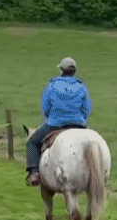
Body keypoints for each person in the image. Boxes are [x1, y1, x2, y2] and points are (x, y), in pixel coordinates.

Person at [25, 57, 91, 186]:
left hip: (55, 124)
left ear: (61, 69)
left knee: (32, 141)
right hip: (79, 125)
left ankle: (34, 172)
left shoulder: (52, 86)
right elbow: (86, 110)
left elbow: (46, 110)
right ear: (74, 71)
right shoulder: (82, 87)